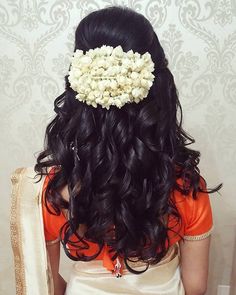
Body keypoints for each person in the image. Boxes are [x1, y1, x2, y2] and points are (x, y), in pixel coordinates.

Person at [10, 6, 221, 295]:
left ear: (78, 88)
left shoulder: (53, 191)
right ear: (158, 89)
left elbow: (50, 286)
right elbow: (195, 287)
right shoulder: (186, 187)